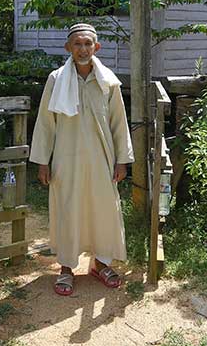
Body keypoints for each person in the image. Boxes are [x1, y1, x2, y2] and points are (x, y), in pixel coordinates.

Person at [30, 23, 134, 296]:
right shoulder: (56, 79)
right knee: (68, 210)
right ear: (69, 48)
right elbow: (45, 122)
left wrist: (122, 160)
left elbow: (118, 123)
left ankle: (101, 264)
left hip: (102, 158)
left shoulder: (108, 81)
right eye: (77, 44)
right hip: (66, 159)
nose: (83, 49)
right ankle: (66, 268)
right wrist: (43, 160)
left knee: (103, 210)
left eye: (88, 44)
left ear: (96, 47)